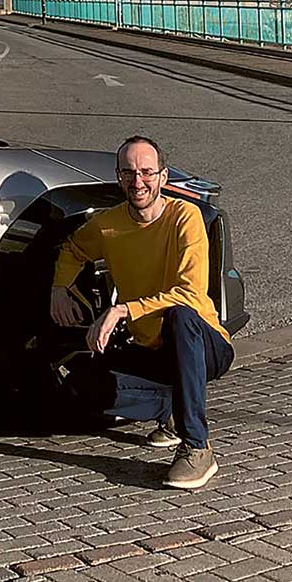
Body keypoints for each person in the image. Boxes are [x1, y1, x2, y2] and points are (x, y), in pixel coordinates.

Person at [50, 135, 234, 489]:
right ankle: (171, 406)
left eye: (147, 172)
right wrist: (60, 289)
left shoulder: (185, 217)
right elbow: (72, 249)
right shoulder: (108, 225)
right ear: (119, 178)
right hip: (153, 350)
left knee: (180, 316)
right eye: (129, 173)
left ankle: (197, 447)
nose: (138, 182)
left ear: (163, 177)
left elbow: (189, 293)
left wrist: (122, 310)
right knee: (80, 381)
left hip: (204, 344)